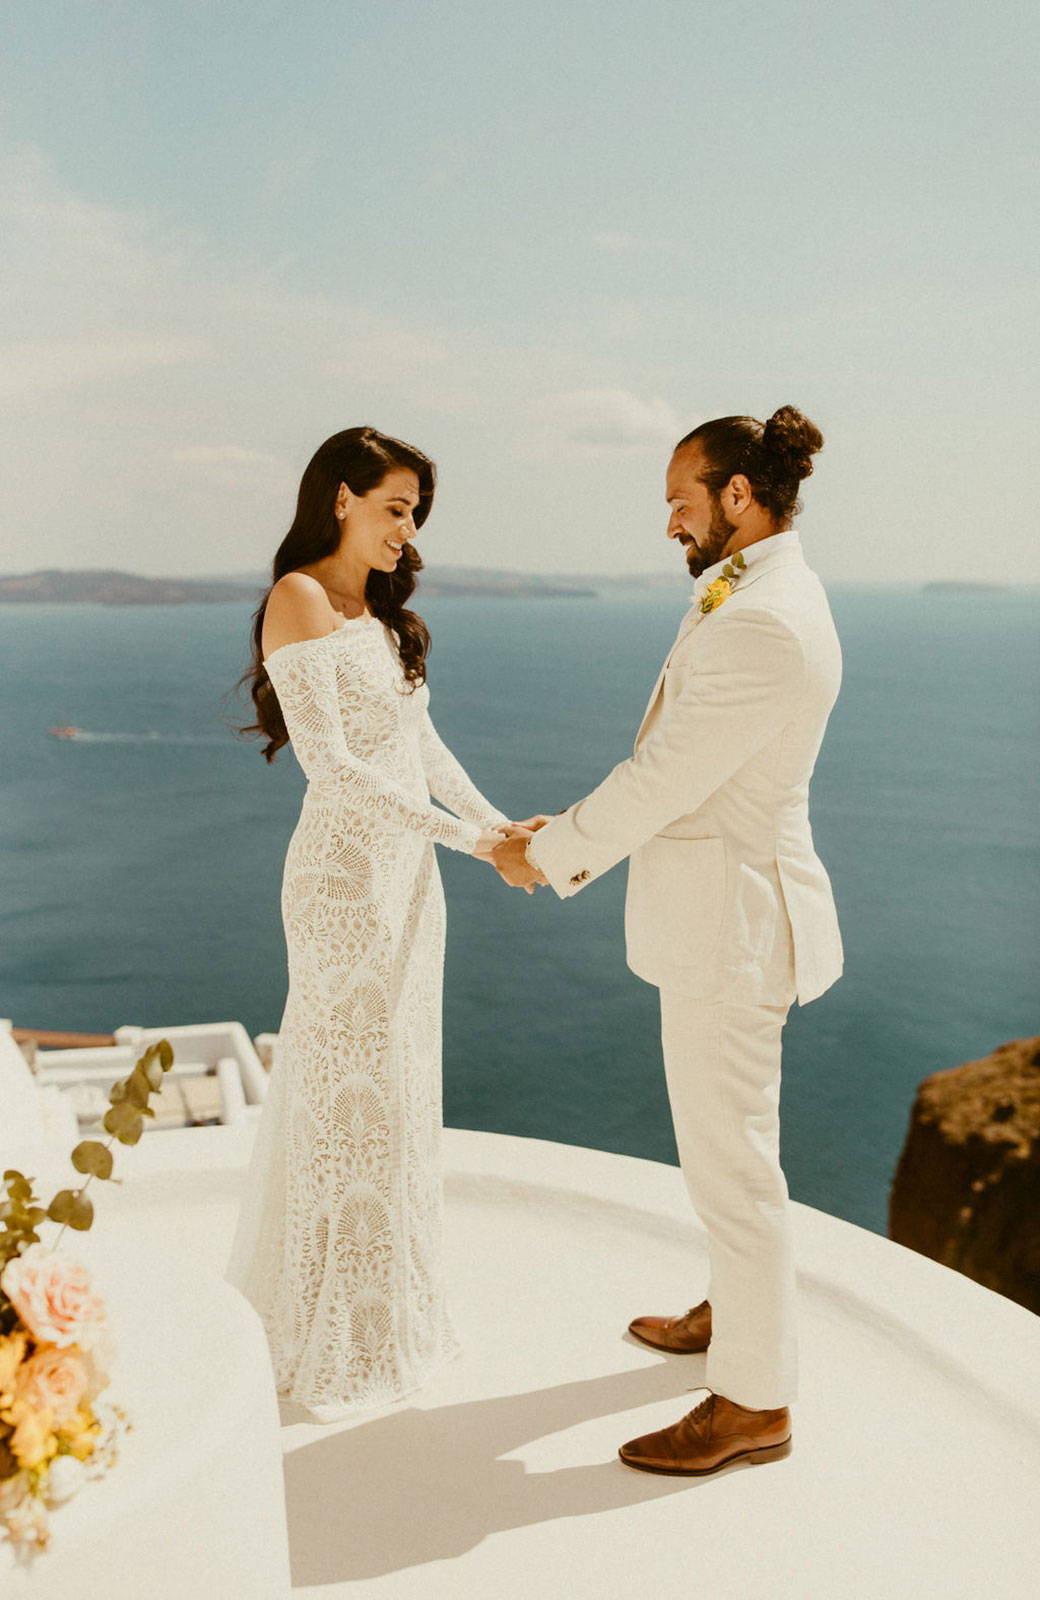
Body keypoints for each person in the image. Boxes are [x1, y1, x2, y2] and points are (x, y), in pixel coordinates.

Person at [491, 406, 844, 1475]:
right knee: (723, 1151)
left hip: (731, 932)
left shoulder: (763, 619)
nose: (669, 524)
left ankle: (751, 1401)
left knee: (733, 1164)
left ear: (738, 494)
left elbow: (667, 775)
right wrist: (571, 832)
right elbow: (697, 772)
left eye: (679, 502)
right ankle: (735, 1313)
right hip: (721, 915)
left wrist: (550, 855)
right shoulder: (760, 590)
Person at [226, 426, 530, 1421]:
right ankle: (324, 1325)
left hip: (406, 886)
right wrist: (471, 845)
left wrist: (495, 824)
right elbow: (339, 773)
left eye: (415, 514)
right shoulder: (300, 597)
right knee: (341, 1099)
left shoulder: (383, 616)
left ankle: (379, 1311)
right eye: (396, 508)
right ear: (343, 498)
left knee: (394, 1095)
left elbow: (419, 745)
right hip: (341, 886)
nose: (407, 530)